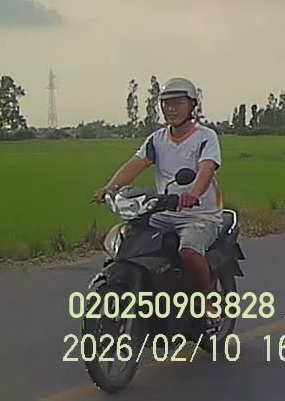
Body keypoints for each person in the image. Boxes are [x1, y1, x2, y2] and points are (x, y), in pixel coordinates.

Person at [94, 76, 225, 333]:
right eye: (166, 104)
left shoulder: (205, 137)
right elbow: (136, 164)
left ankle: (207, 302)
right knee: (131, 242)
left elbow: (206, 169)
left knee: (188, 250)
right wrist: (110, 188)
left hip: (199, 215)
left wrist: (192, 194)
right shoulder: (157, 140)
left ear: (192, 105)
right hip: (163, 212)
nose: (171, 109)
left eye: (178, 103)